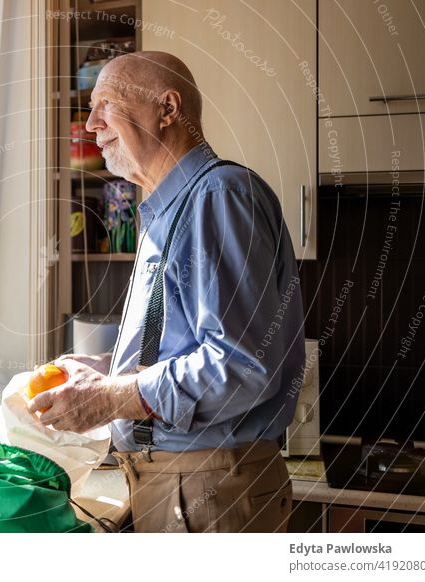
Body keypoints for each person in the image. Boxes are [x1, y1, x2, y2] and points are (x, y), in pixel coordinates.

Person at [27, 51, 306, 533]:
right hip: (180, 483)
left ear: (168, 109)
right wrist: (106, 370)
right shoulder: (172, 211)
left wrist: (112, 397)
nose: (91, 124)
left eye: (105, 104)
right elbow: (189, 343)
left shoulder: (218, 195)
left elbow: (239, 364)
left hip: (209, 486)